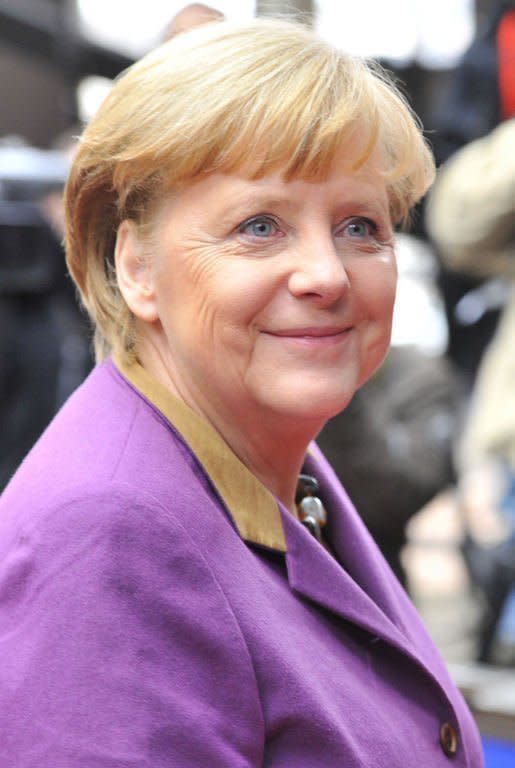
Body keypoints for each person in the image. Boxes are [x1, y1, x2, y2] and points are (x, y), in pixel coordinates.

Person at [0, 18, 483, 766]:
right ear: (135, 265)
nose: (326, 274)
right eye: (259, 226)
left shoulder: (272, 456)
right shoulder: (112, 539)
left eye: (360, 225)